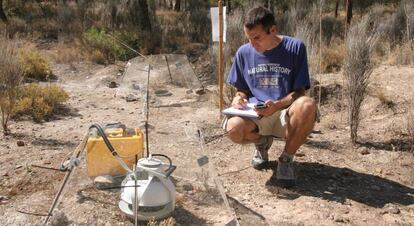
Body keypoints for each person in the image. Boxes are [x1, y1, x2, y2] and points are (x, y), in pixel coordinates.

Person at [224, 6, 317, 188]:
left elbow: (300, 92)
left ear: (272, 30)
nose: (252, 44)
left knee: (307, 105)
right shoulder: (244, 53)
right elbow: (241, 90)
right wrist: (238, 98)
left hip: (286, 113)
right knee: (232, 128)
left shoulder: (295, 48)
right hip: (257, 115)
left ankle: (286, 159)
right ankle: (262, 143)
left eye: (257, 38)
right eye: (249, 38)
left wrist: (277, 104)